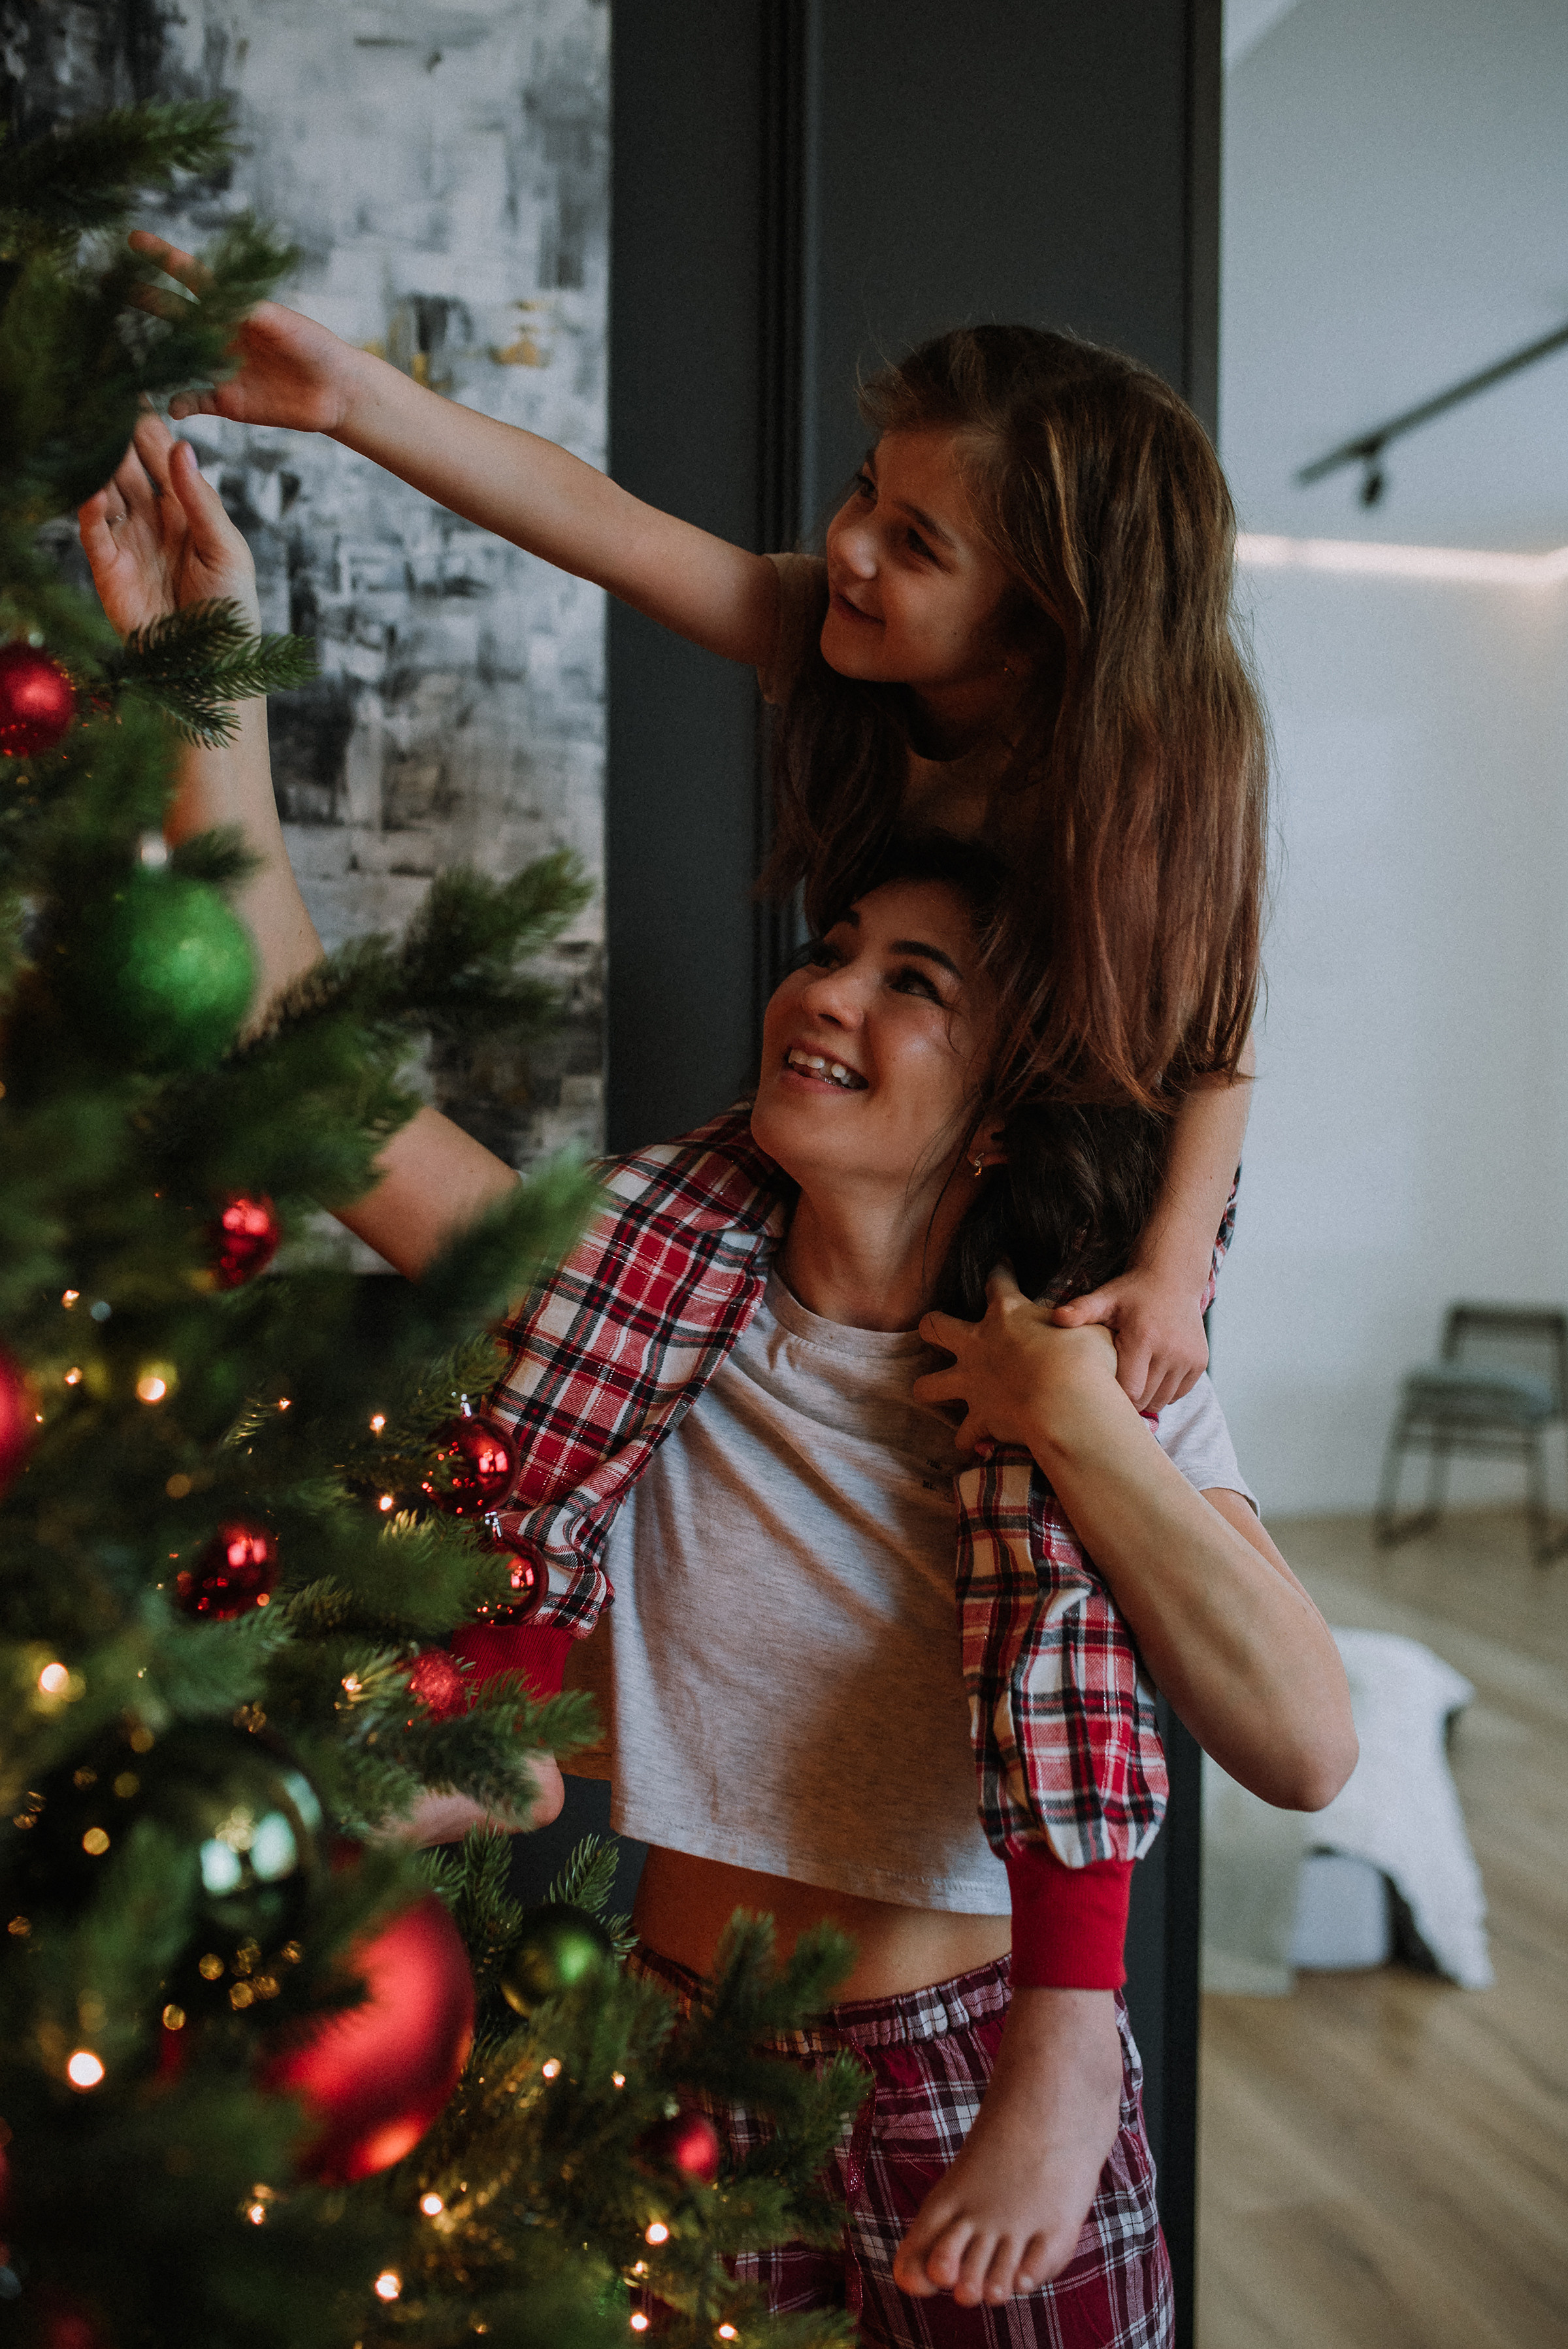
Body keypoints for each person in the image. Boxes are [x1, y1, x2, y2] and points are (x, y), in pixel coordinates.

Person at [83, 418, 1350, 2348]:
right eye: (837, 946)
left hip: (967, 2071)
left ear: (1009, 1109)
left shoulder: (1083, 1365)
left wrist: (1085, 1424)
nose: (828, 987)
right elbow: (288, 1052)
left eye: (915, 983)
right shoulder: (641, 1279)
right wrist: (209, 664)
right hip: (670, 2066)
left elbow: (1306, 1746)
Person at [125, 237, 1265, 1415]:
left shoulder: (1141, 777)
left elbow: (1211, 1046)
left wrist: (1173, 1273)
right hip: (896, 1129)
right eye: (867, 489)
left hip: (1086, 1157)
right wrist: (352, 396)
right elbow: (608, 526)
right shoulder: (850, 644)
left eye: (916, 545)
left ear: (1041, 626)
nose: (852, 546)